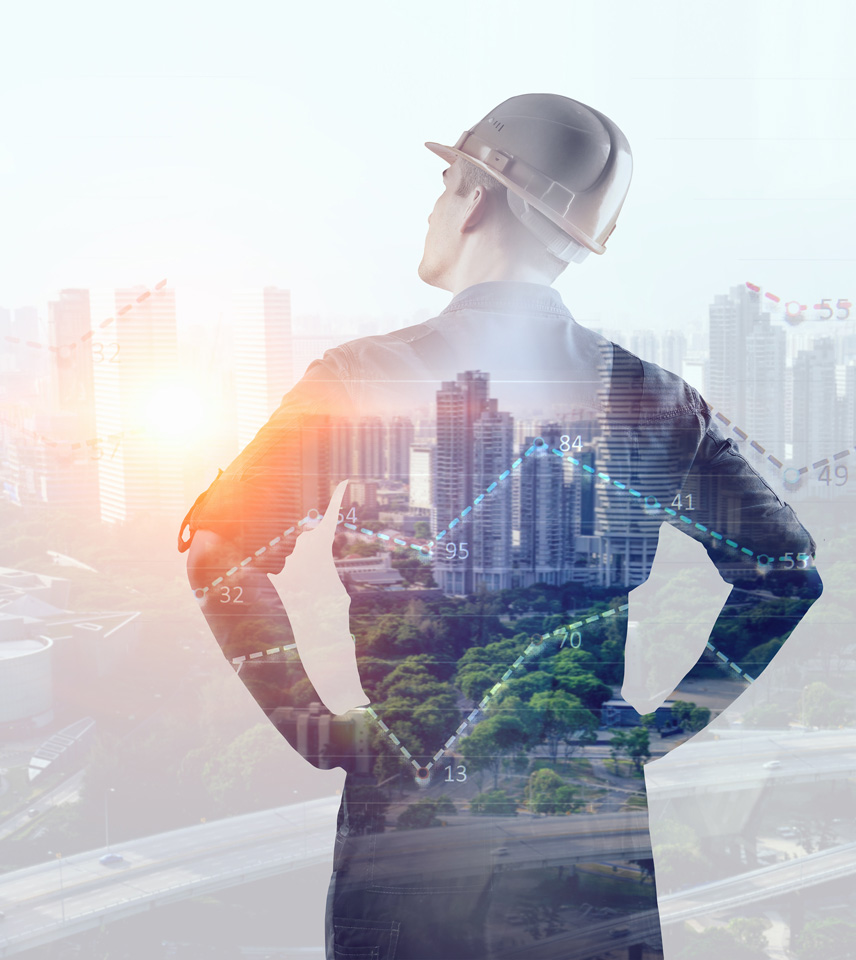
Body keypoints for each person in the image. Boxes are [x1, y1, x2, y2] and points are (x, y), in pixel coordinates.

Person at [180, 93, 822, 960]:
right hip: (589, 821)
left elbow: (223, 551)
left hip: (410, 812)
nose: (437, 203)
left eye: (446, 182)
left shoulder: (359, 380)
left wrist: (316, 726)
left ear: (476, 196)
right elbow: (785, 572)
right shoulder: (656, 397)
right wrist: (663, 727)